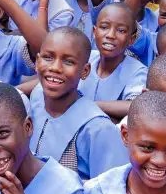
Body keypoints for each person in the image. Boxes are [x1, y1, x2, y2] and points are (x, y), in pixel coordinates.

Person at [27, 27, 129, 180]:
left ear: (85, 71)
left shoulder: (97, 128)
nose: (55, 68)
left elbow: (110, 191)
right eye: (48, 57)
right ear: (37, 61)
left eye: (69, 61)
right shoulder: (36, 96)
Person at [78, 2, 146, 120]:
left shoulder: (137, 71)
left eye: (121, 30)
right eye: (104, 27)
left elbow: (137, 106)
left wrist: (92, 106)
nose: (110, 35)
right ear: (94, 32)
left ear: (131, 39)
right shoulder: (86, 57)